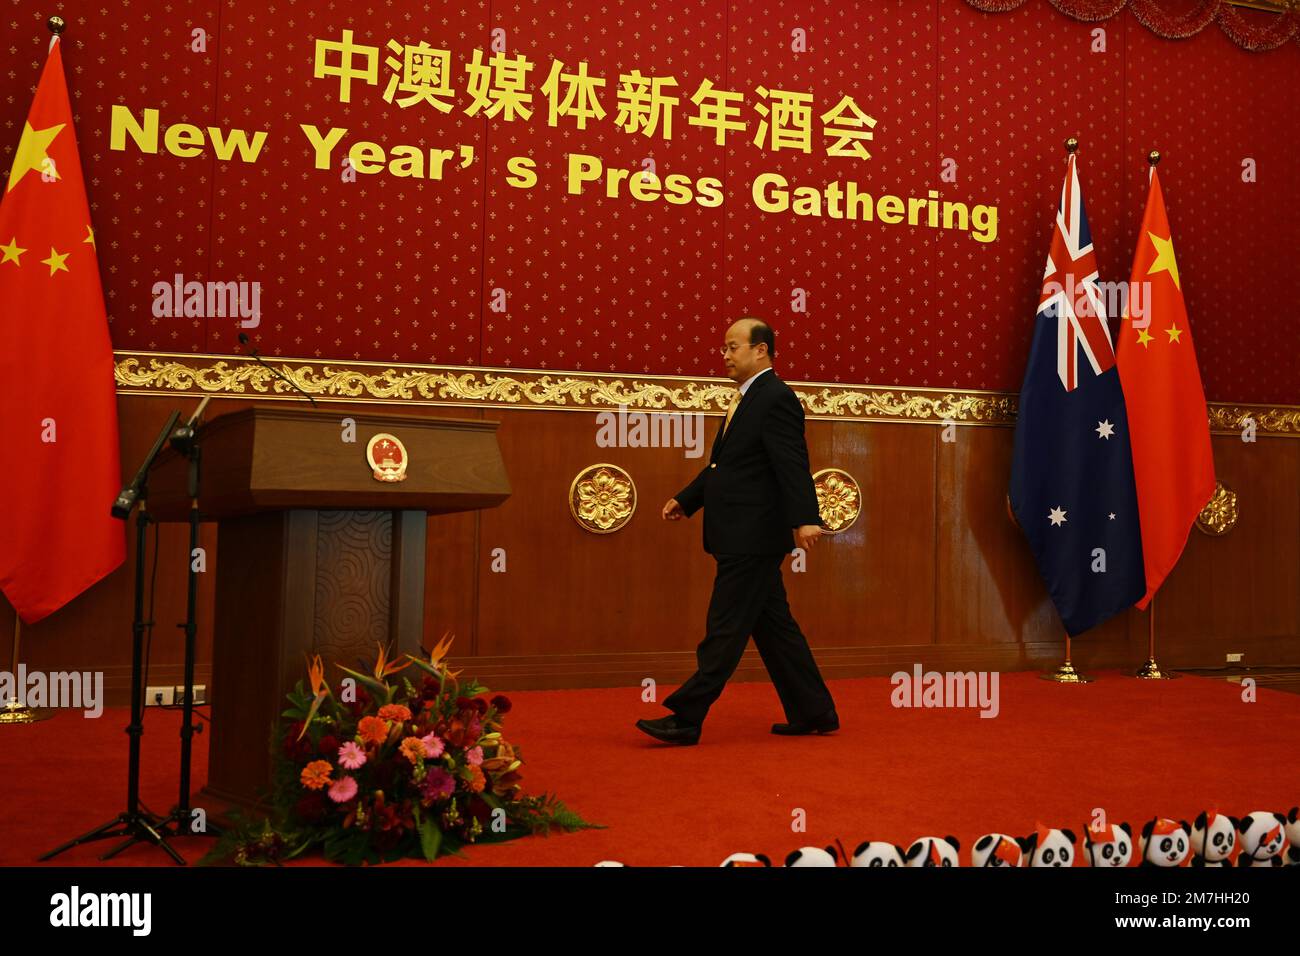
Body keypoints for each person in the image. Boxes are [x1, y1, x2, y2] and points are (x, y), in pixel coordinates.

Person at [636, 318, 838, 745]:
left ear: (760, 350)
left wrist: (806, 517)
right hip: (742, 534)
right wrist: (688, 499)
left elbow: (791, 462)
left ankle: (687, 717)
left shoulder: (776, 398)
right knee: (774, 627)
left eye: (733, 347)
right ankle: (814, 710)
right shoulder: (746, 399)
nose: (724, 355)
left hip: (753, 537)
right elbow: (726, 467)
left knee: (724, 628)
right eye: (724, 347)